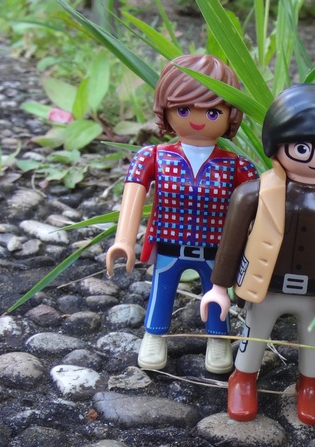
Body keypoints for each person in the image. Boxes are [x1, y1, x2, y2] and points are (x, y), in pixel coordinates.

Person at [200, 84, 315, 425]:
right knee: (254, 333)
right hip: (267, 285)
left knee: (314, 342)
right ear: (277, 144)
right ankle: (243, 378)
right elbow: (231, 242)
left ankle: (310, 385)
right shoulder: (252, 194)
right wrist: (218, 288)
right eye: (302, 149)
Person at [106, 54, 258, 373]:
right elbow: (133, 193)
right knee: (161, 291)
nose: (198, 120)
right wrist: (123, 241)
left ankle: (218, 339)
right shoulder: (153, 156)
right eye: (184, 110)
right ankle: (154, 335)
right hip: (169, 244)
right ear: (166, 110)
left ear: (230, 115)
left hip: (216, 249)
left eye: (213, 112)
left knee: (217, 293)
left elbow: (255, 207)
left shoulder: (236, 165)